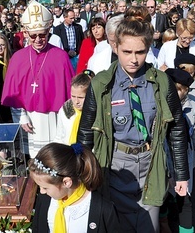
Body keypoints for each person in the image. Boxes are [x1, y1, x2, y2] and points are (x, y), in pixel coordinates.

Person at [77, 17, 189, 232]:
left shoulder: (162, 82)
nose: (134, 59)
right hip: (115, 164)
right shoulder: (101, 84)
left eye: (140, 52)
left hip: (151, 162)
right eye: (127, 52)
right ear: (115, 47)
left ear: (148, 49)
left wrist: (182, 174)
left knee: (149, 226)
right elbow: (86, 131)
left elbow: (176, 128)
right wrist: (82, 171)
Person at [1, 0, 75, 158]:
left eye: (42, 34)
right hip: (29, 118)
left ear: (49, 31)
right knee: (32, 161)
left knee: (53, 159)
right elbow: (13, 93)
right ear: (26, 33)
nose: (38, 39)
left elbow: (69, 95)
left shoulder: (60, 56)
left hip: (53, 119)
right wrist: (21, 117)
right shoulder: (18, 58)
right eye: (33, 35)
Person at [29, 143, 121, 233]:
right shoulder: (45, 200)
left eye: (45, 188)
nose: (41, 192)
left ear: (66, 182)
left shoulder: (103, 210)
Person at [164, 68, 195, 233]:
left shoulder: (193, 105)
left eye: (179, 90)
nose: (175, 93)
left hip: (185, 155)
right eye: (172, 89)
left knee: (185, 199)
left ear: (186, 91)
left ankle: (186, 229)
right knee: (163, 196)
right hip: (163, 155)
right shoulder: (158, 105)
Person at [54, 70, 94, 145]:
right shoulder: (65, 111)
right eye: (73, 96)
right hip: (67, 152)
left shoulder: (95, 113)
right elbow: (59, 136)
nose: (76, 101)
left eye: (81, 97)